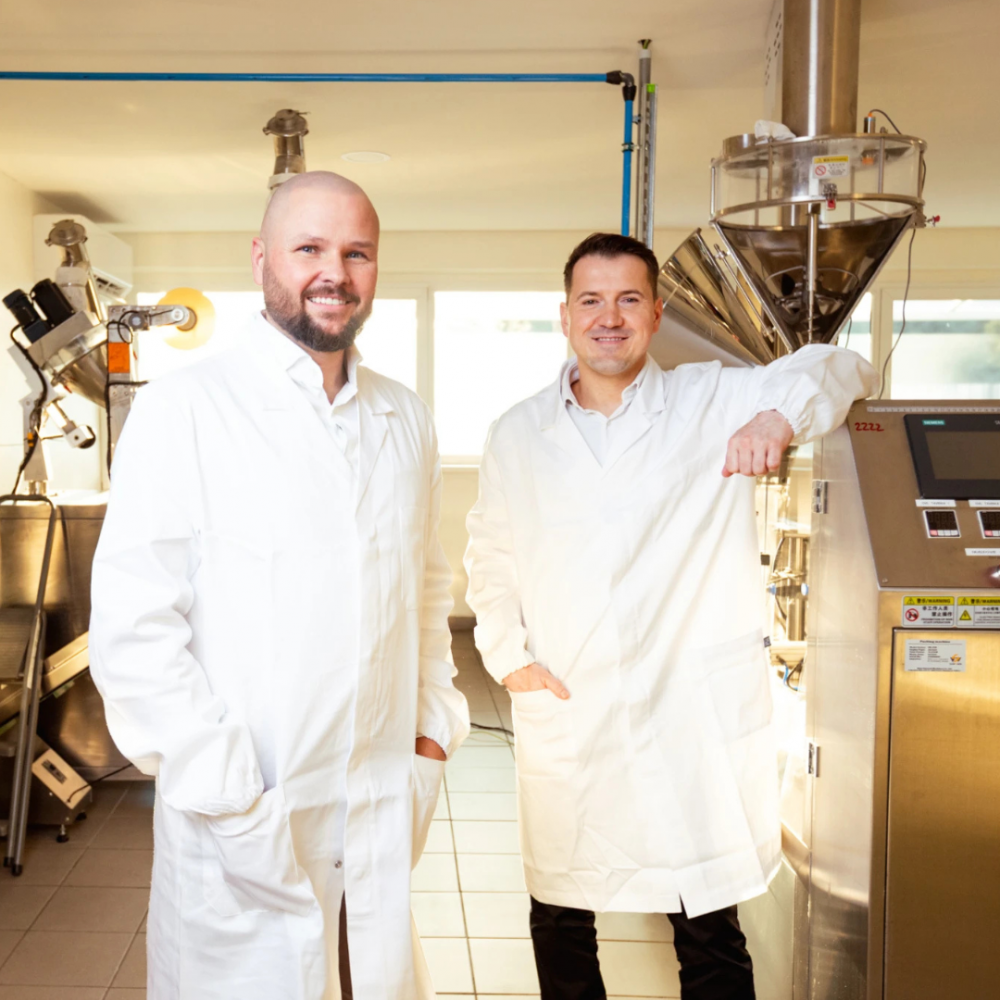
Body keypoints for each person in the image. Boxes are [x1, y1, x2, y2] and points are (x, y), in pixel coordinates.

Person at [464, 232, 878, 1000]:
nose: (609, 318)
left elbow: (845, 365)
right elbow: (491, 556)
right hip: (570, 700)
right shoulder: (518, 432)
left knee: (708, 924)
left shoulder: (710, 399)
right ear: (564, 315)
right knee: (561, 916)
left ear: (655, 314)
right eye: (591, 300)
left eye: (628, 300)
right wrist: (509, 659)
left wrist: (777, 417)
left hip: (688, 715)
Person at [89, 171, 469, 1000]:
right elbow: (135, 630)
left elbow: (426, 591)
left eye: (357, 252)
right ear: (262, 259)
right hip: (245, 822)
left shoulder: (405, 417)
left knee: (368, 979)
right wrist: (228, 792)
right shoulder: (187, 409)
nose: (335, 272)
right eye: (309, 249)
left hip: (376, 811)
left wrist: (434, 730)